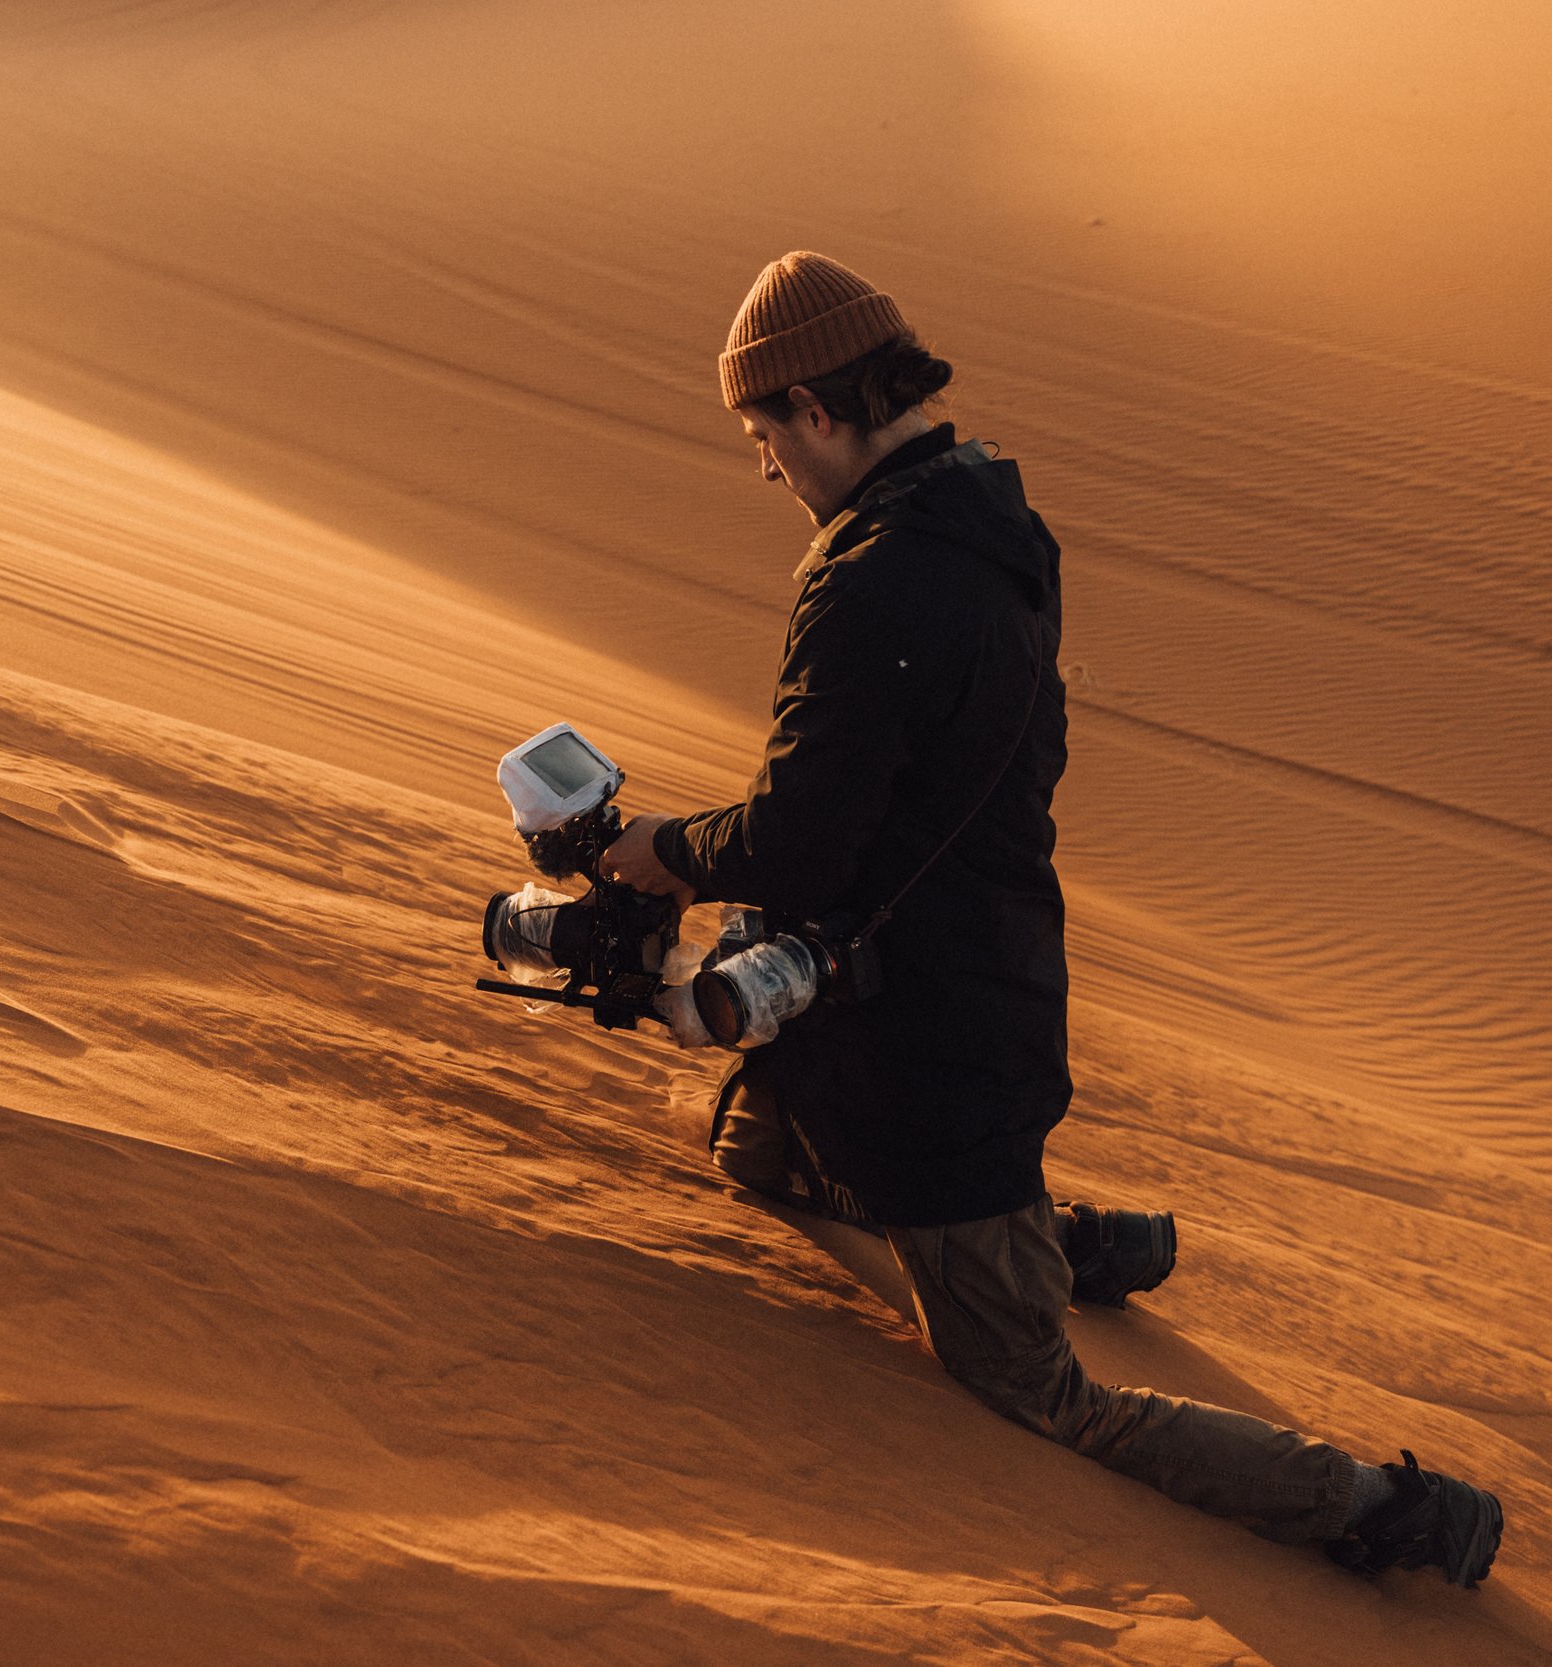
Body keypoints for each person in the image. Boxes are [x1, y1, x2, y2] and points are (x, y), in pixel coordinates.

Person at [595, 250, 1503, 1586]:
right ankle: (1065, 1245)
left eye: (765, 435)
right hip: (939, 981)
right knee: (751, 1155)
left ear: (818, 408)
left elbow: (799, 832)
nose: (767, 468)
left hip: (933, 1045)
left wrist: (659, 853)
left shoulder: (871, 579)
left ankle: (1381, 1506)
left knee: (1037, 1391)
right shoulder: (990, 518)